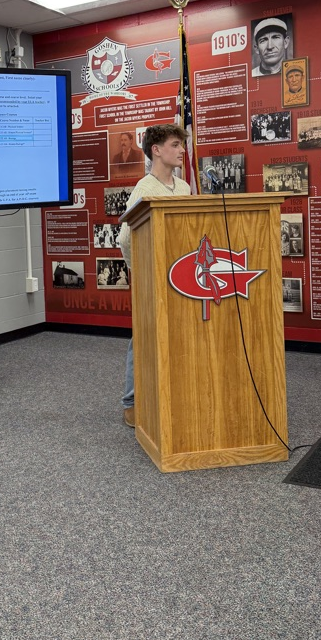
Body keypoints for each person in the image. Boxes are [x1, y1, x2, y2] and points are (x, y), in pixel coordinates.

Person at [119, 124, 191, 427]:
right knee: (144, 337)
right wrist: (144, 270)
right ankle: (131, 402)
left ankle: (171, 393)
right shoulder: (145, 190)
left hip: (180, 276)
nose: (182, 150)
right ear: (156, 150)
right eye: (175, 145)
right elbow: (125, 238)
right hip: (154, 277)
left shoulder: (184, 187)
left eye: (181, 145)